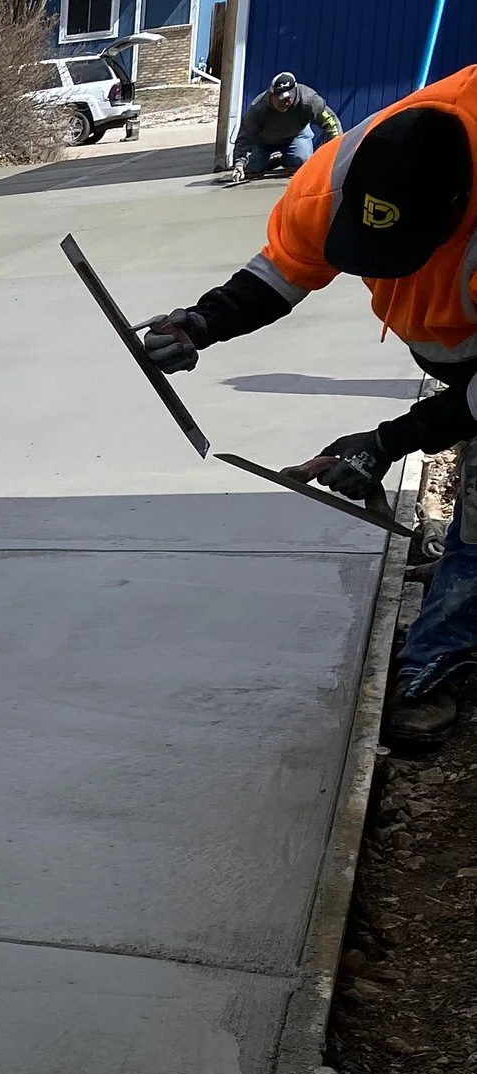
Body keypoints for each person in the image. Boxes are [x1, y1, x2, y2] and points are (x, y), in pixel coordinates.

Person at [141, 75, 477, 746]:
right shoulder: (337, 175)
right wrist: (202, 323)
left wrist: (389, 439)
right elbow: (284, 269)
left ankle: (443, 649)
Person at [231, 71, 344, 181]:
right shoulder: (258, 108)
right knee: (251, 169)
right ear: (271, 95)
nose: (285, 103)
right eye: (281, 99)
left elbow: (331, 123)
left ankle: (284, 159)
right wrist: (239, 164)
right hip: (264, 141)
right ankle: (268, 161)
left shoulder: (309, 99)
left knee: (301, 162)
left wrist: (335, 152)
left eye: (288, 99)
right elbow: (245, 137)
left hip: (296, 135)